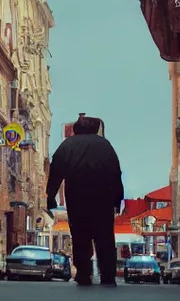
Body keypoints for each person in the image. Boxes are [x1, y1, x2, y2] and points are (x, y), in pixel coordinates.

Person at [45, 113, 125, 286]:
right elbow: (115, 173)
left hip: (77, 196)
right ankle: (107, 275)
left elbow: (55, 171)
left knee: (80, 236)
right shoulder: (105, 145)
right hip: (102, 198)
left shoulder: (67, 145)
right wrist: (117, 200)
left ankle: (83, 273)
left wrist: (50, 196)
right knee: (104, 237)